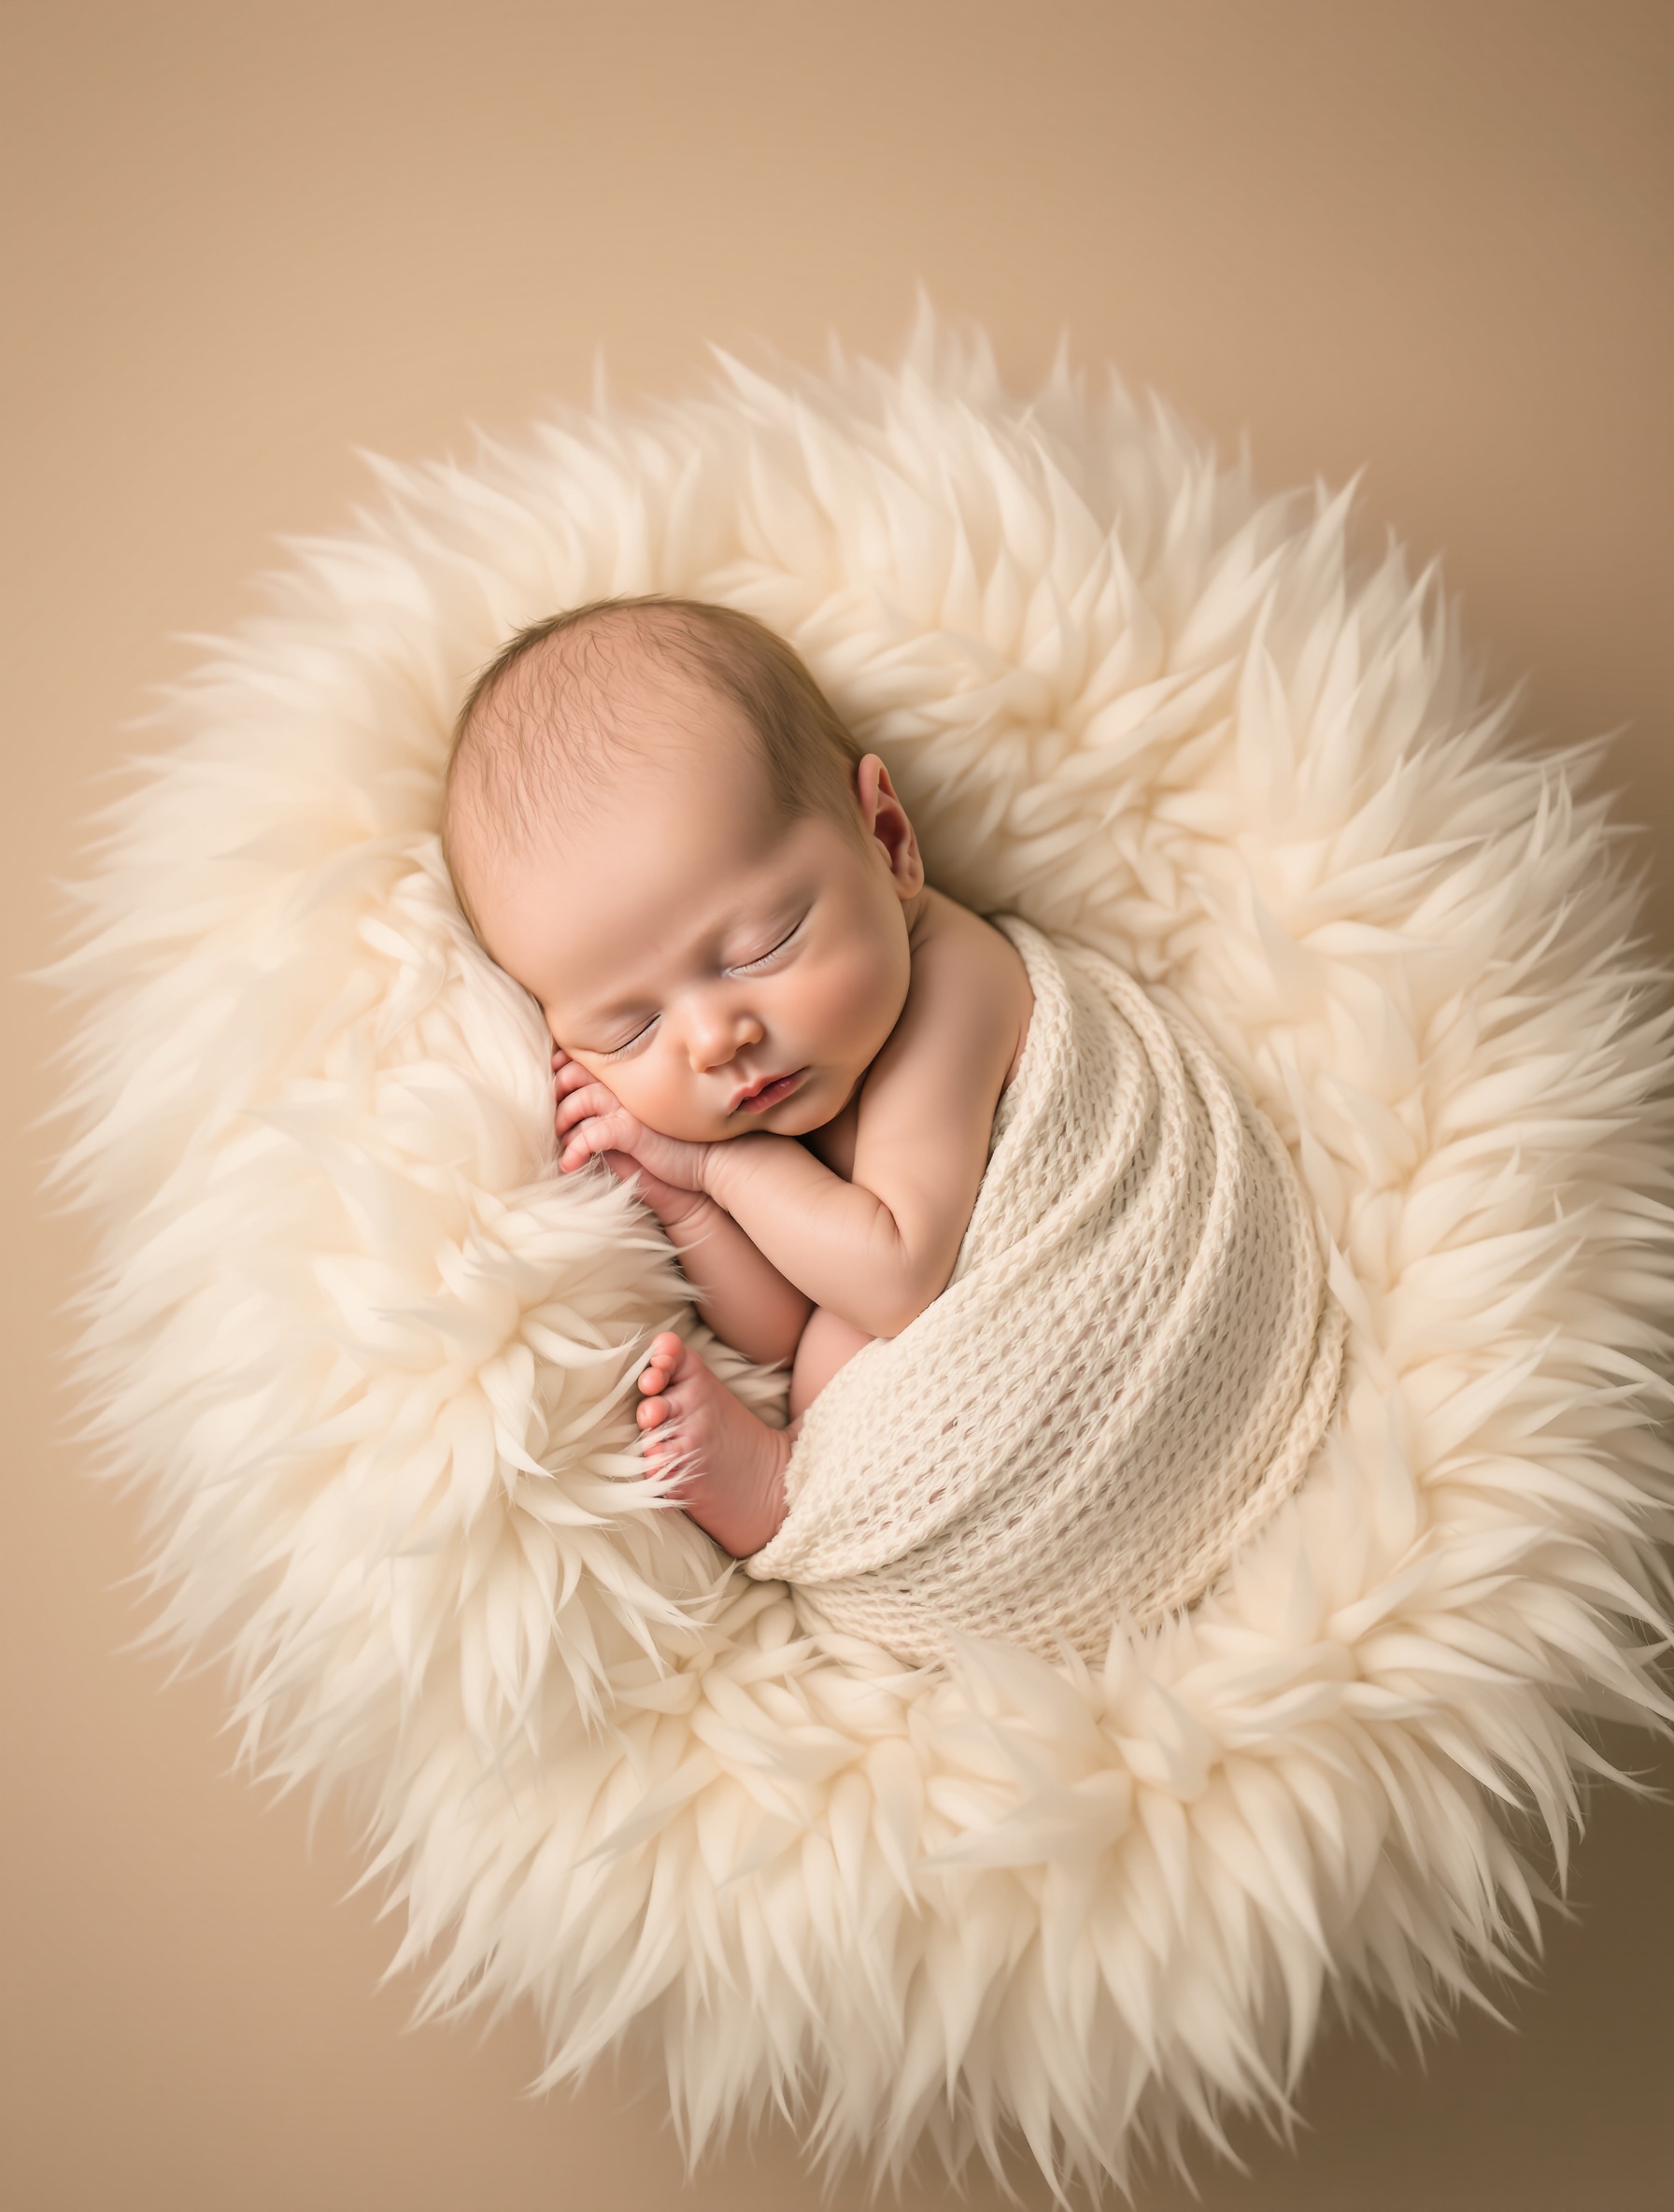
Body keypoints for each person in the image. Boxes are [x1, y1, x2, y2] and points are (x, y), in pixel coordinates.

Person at [442, 596, 1033, 1558]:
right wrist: (687, 1209)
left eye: (761, 947)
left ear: (886, 840)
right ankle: (790, 1476)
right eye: (630, 1028)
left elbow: (889, 1278)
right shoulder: (779, 1070)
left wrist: (720, 1171)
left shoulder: (953, 985)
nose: (713, 1040)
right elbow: (785, 1334)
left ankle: (789, 1487)